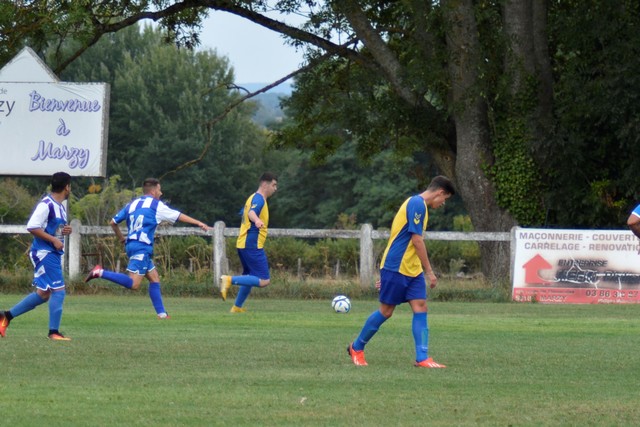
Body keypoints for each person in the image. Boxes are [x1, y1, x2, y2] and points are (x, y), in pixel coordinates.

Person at [347, 175, 455, 368]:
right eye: (445, 199)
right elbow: (416, 240)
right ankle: (356, 347)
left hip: (412, 269)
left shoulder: (421, 207)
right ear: (440, 193)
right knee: (386, 311)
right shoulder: (417, 204)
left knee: (421, 306)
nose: (443, 203)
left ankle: (422, 357)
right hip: (396, 266)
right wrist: (430, 271)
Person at [84, 178, 211, 318]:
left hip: (132, 245)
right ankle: (100, 272)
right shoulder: (156, 205)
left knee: (154, 278)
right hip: (142, 247)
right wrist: (198, 223)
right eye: (159, 190)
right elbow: (178, 215)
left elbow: (113, 223)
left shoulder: (132, 204)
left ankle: (162, 314)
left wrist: (121, 239)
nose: (161, 193)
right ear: (154, 190)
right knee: (134, 284)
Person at [0, 172, 73, 340]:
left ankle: (6, 316)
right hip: (44, 253)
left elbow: (51, 229)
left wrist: (64, 231)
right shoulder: (46, 204)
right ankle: (53, 332)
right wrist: (53, 240)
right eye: (70, 186)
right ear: (66, 187)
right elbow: (32, 226)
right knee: (59, 291)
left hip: (51, 253)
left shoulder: (60, 207)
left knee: (43, 294)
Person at [219, 172, 278, 312]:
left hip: (243, 243)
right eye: (274, 185)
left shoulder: (252, 198)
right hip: (252, 245)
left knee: (250, 277)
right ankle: (228, 280)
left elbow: (245, 212)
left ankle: (237, 307)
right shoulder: (259, 199)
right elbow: (251, 213)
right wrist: (257, 220)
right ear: (265, 184)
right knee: (264, 280)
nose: (275, 189)